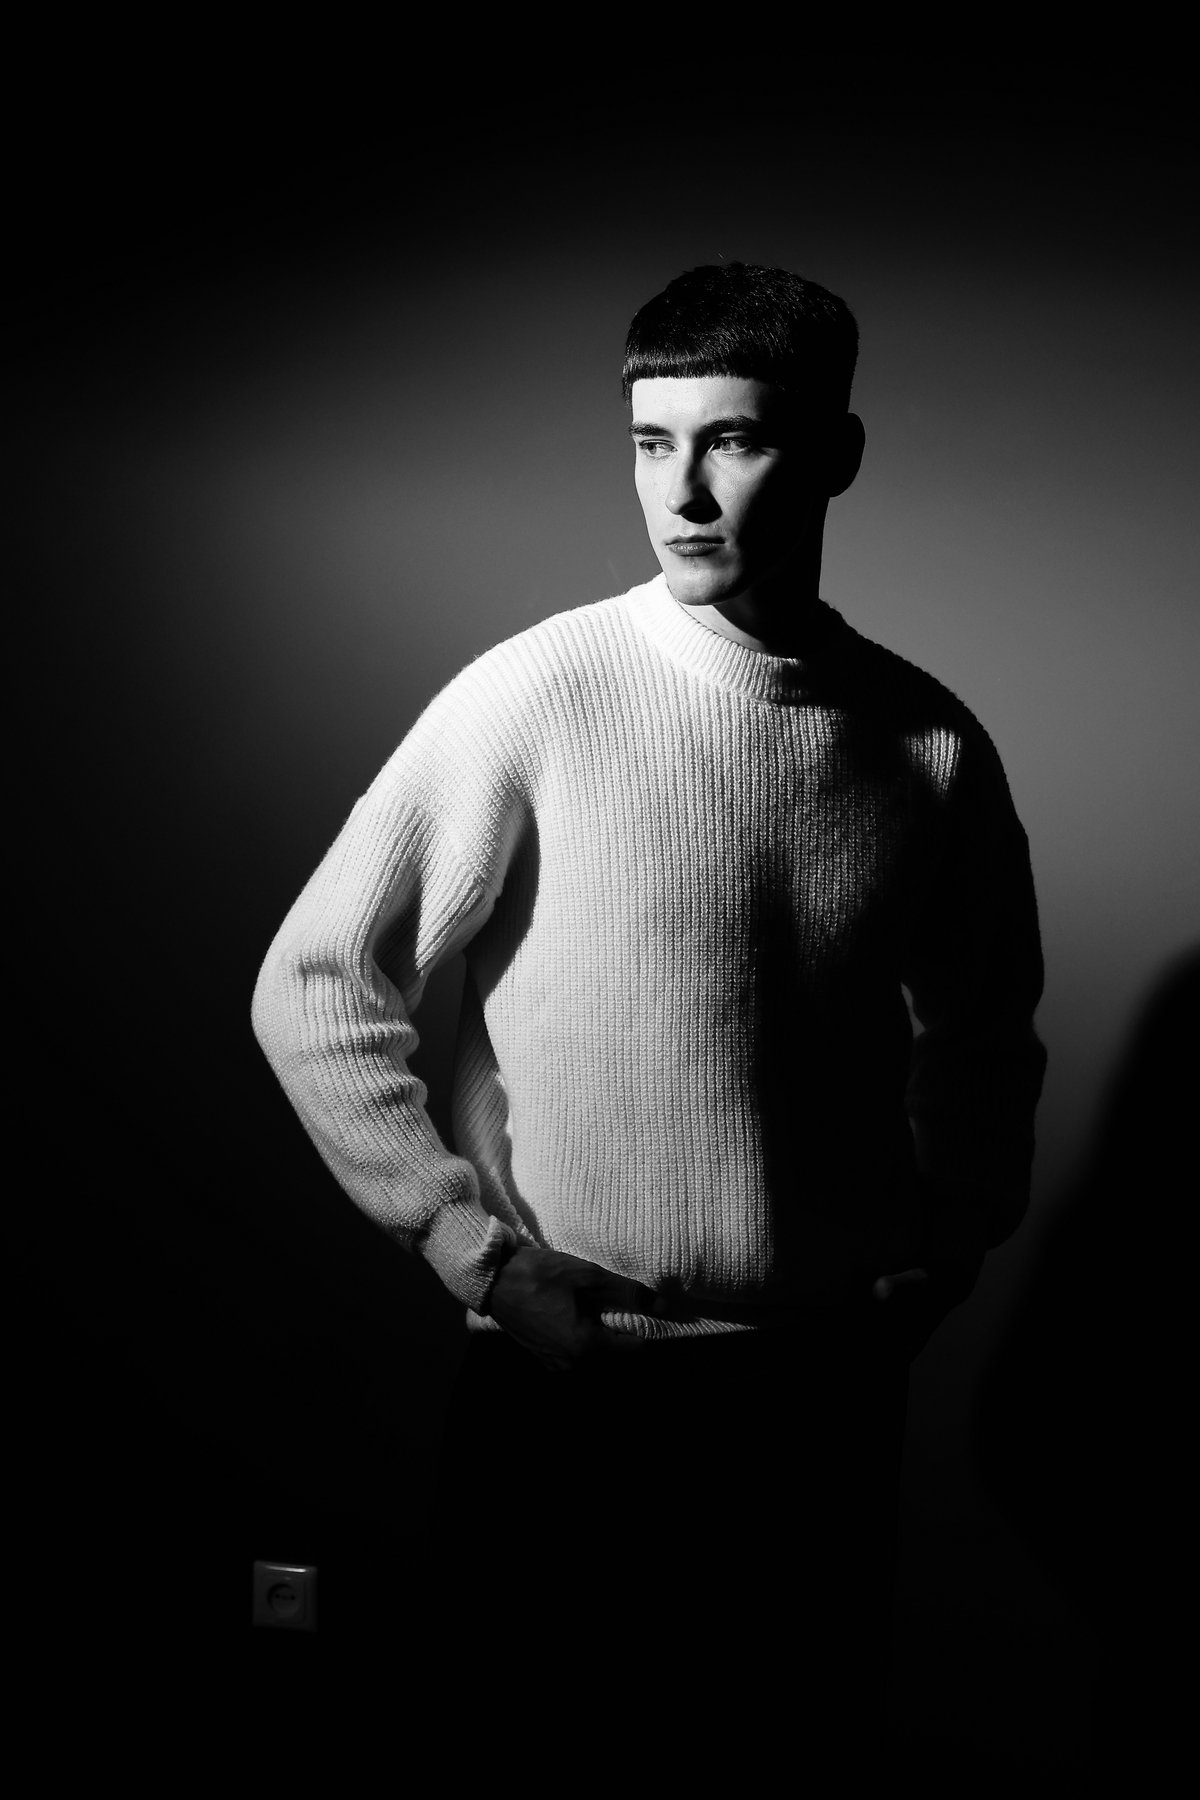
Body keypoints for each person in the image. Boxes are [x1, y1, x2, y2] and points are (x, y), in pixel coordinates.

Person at [251, 263, 1046, 1774]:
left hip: (818, 1395)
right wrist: (470, 1250)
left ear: (836, 455)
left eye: (732, 440)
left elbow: (987, 1027)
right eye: (648, 443)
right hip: (576, 1373)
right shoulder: (541, 690)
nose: (680, 493)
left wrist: (952, 1242)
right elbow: (315, 981)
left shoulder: (929, 742)